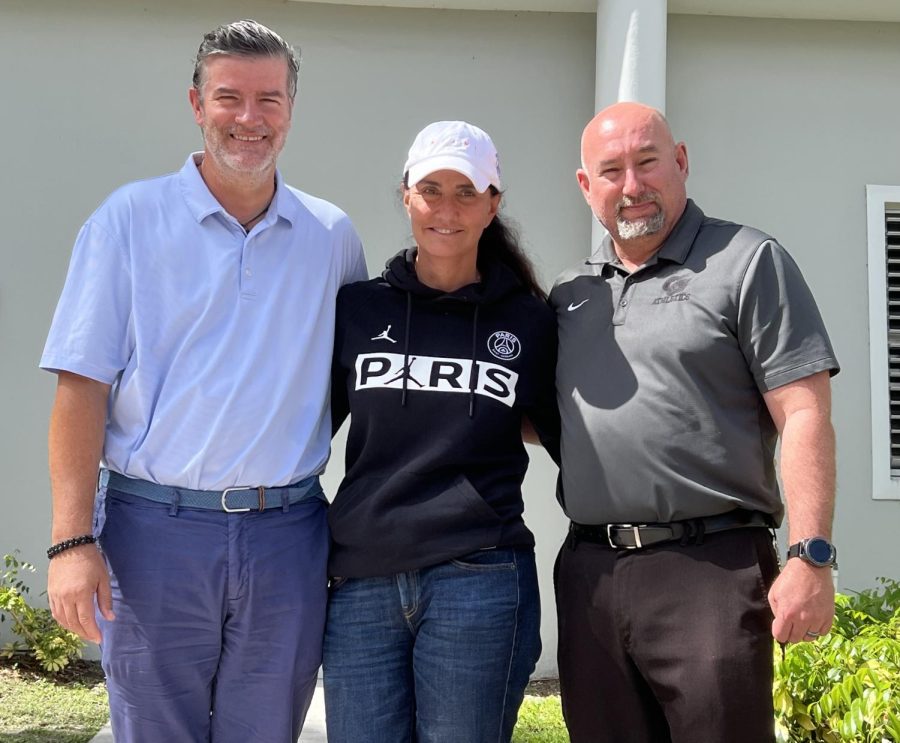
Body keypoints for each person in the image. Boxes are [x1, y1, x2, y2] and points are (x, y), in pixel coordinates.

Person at [39, 20, 366, 742]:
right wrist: (71, 542)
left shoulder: (331, 237)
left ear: (290, 109)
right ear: (196, 103)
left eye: (269, 99)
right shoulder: (127, 221)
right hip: (155, 534)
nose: (249, 118)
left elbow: (344, 384)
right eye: (229, 97)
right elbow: (80, 386)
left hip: (288, 534)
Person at [550, 101, 839, 743]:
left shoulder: (748, 261)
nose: (631, 187)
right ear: (584, 185)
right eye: (611, 170)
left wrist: (810, 554)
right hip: (590, 571)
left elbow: (803, 412)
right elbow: (551, 417)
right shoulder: (571, 293)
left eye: (647, 163)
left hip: (709, 567)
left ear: (679, 162)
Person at [323, 120, 559, 743]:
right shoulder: (358, 309)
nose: (446, 209)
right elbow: (299, 429)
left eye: (466, 191)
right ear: (406, 195)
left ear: (493, 205)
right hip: (362, 584)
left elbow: (569, 436)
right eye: (431, 189)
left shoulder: (531, 321)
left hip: (478, 577)